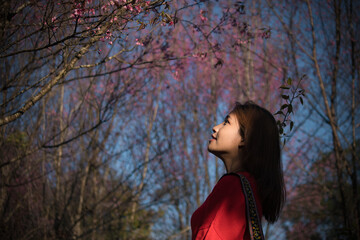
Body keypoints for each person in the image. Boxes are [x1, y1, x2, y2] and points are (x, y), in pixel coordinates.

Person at [191, 101, 286, 240]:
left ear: (245, 138)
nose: (215, 128)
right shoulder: (249, 188)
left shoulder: (234, 186)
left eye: (226, 123)